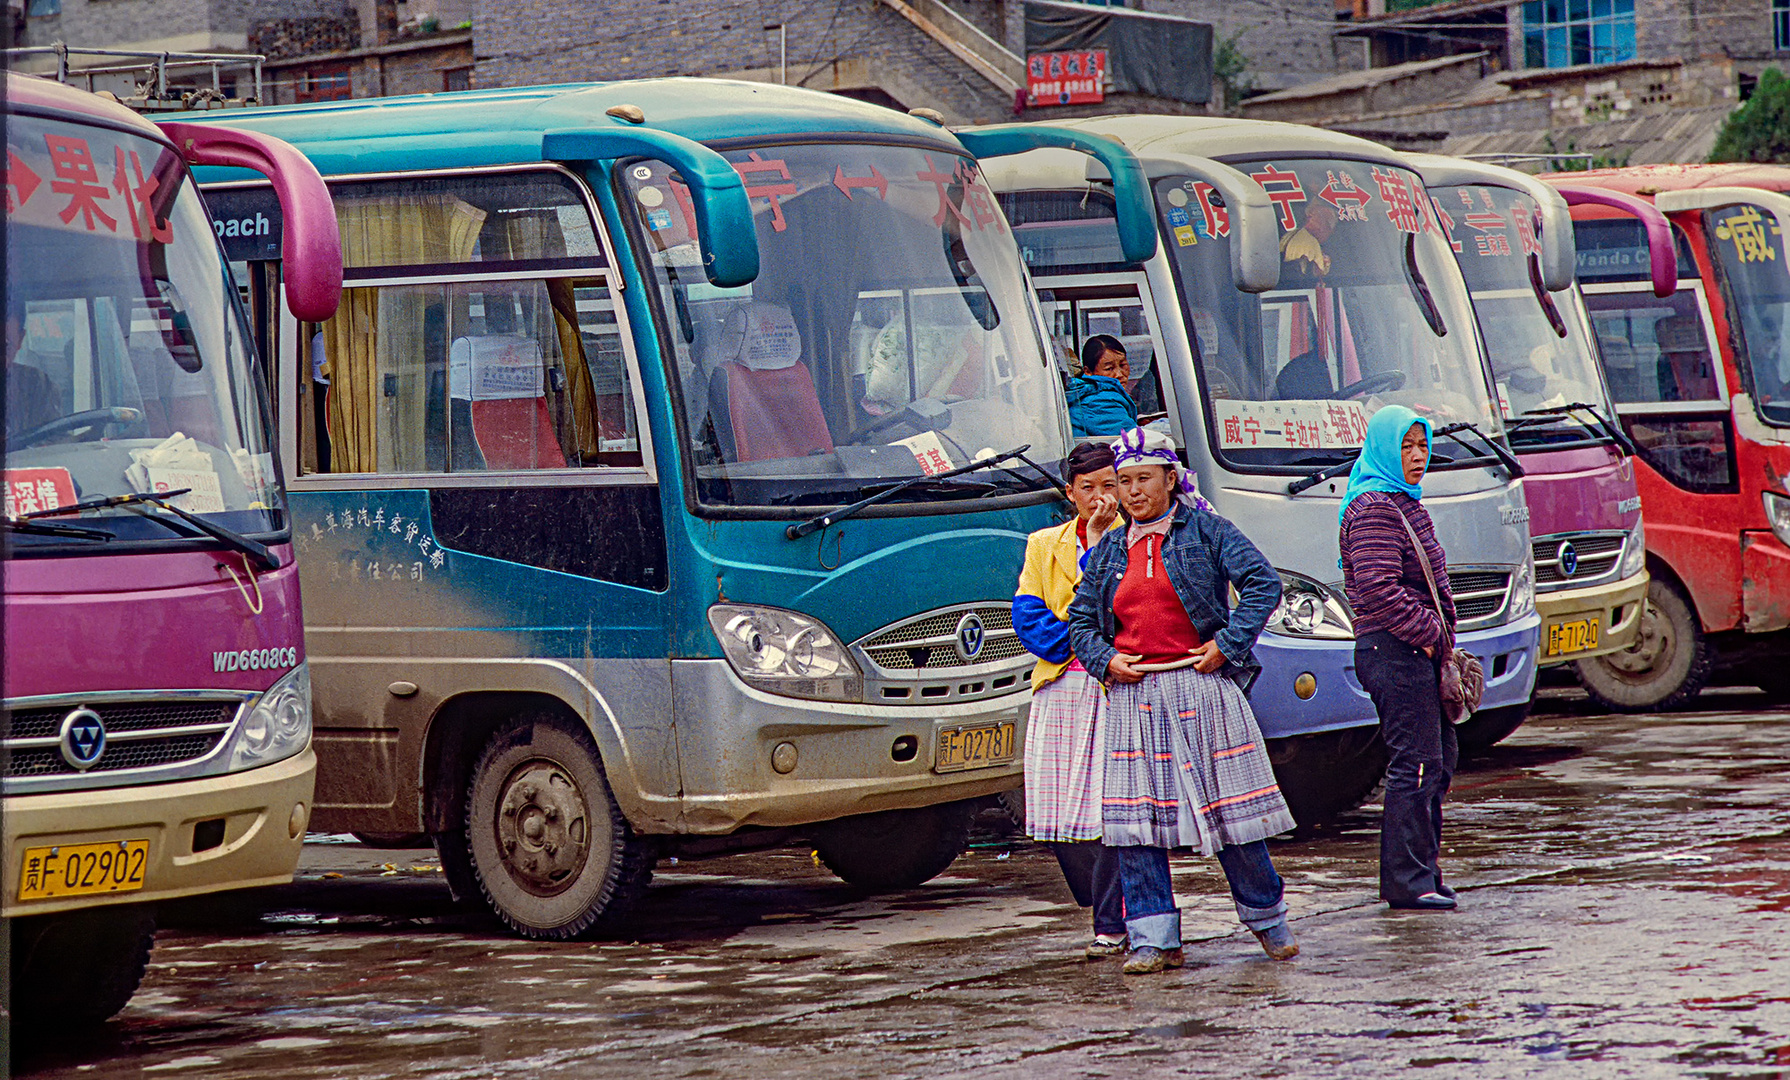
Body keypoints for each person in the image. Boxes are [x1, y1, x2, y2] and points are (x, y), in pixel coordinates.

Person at [1066, 427, 1299, 974]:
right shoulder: (1108, 551)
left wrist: (1228, 643)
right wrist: (1106, 661)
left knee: (1230, 816)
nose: (1133, 492)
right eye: (1124, 482)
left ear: (1171, 478)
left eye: (1144, 479)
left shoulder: (1209, 531)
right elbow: (1080, 620)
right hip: (1134, 695)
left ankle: (1269, 922)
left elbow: (1263, 584)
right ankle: (1153, 940)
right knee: (1136, 824)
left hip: (1200, 686)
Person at [1337, 405, 1459, 911]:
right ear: (1385, 450)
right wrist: (1433, 634)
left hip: (1414, 650)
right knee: (1416, 763)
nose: (1417, 457)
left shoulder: (1403, 503)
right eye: (1406, 447)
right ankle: (1409, 882)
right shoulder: (1373, 509)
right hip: (1394, 650)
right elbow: (1377, 588)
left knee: (1439, 759)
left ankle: (1423, 871)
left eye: (1423, 446)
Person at [1012, 442, 1126, 959]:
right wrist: (1082, 632)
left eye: (1110, 485)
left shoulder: (1136, 541)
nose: (1100, 497)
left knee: (1111, 810)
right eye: (1088, 488)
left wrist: (1101, 546)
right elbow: (1034, 625)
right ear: (1070, 493)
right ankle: (1097, 902)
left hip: (1117, 686)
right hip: (1060, 687)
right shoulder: (1043, 545)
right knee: (1058, 812)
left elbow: (1118, 619)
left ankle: (1114, 918)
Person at [1065, 335, 1138, 438]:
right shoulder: (1098, 402)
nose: (1119, 374)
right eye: (1109, 368)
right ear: (1088, 371)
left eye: (1122, 365)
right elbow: (1136, 440)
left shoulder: (1098, 394)